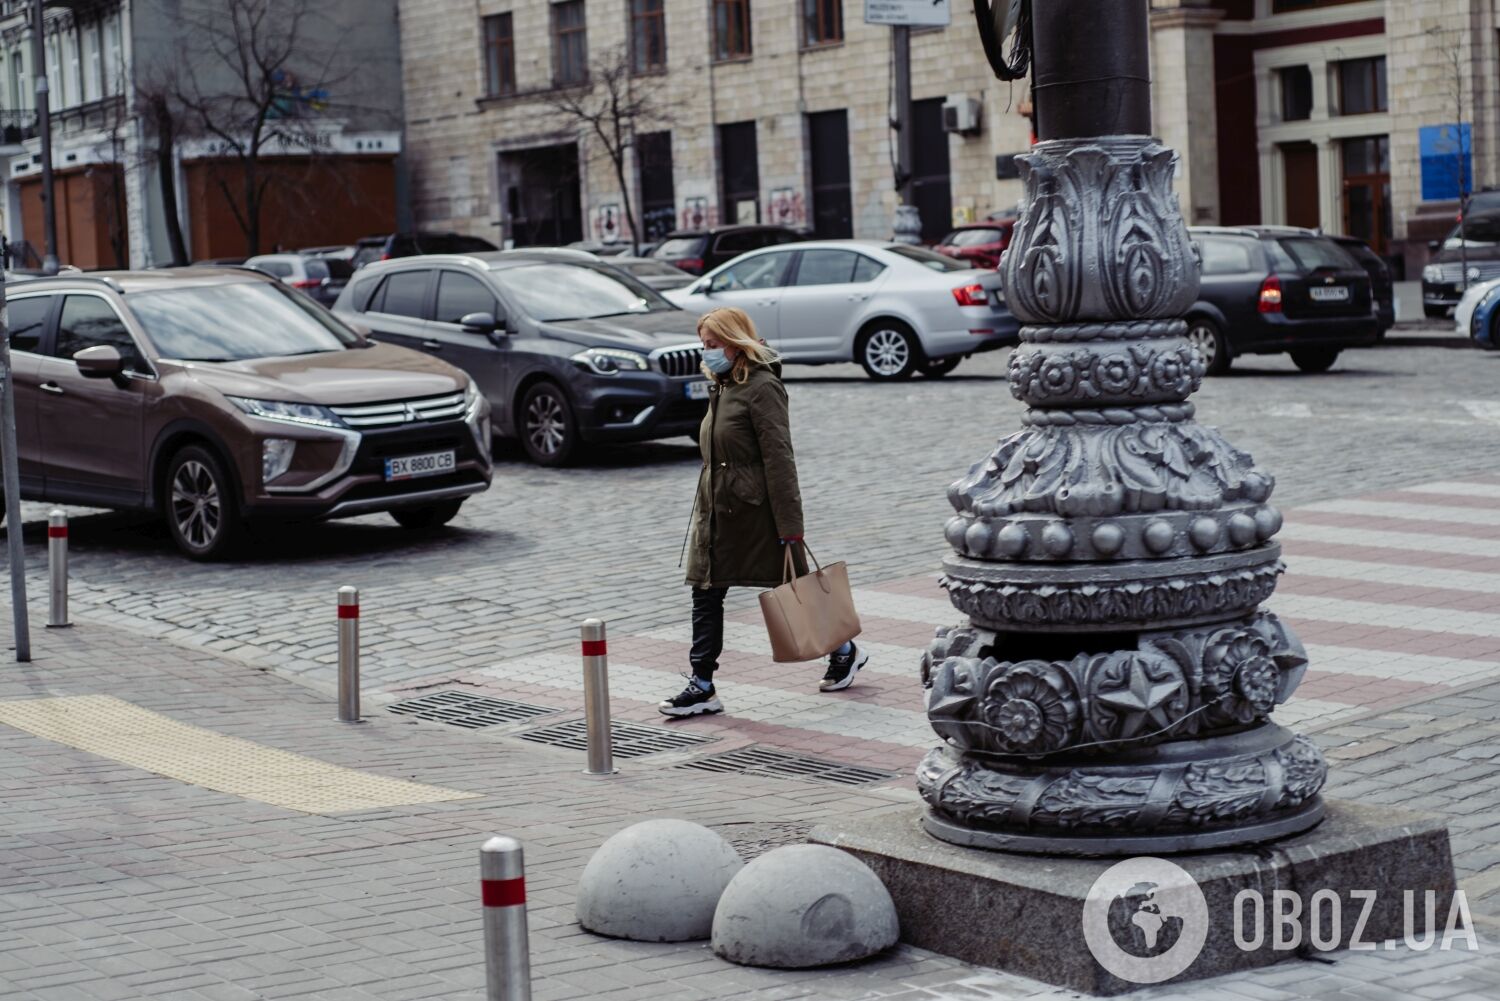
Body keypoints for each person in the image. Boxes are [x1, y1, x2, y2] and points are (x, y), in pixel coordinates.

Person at [661, 306, 866, 717]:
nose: (707, 353)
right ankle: (703, 684)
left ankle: (844, 648)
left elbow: (779, 458)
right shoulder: (721, 385)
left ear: (737, 344)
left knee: (795, 588)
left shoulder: (761, 387)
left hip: (757, 513)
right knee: (706, 591)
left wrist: (791, 526)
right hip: (717, 512)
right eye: (704, 345)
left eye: (713, 345)